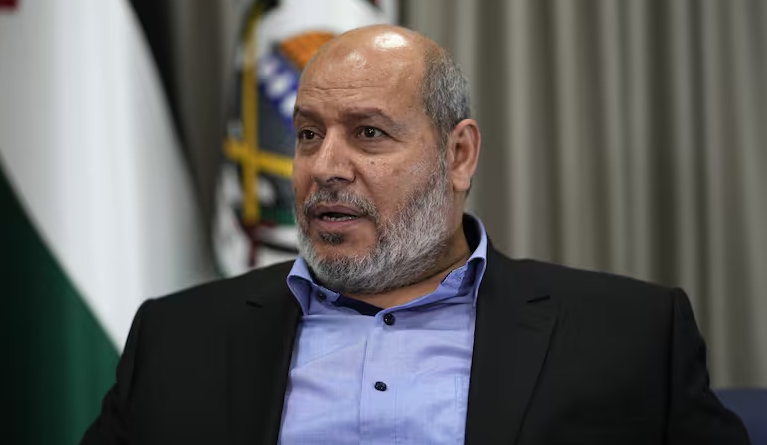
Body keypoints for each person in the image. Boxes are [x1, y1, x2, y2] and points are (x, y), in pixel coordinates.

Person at [81, 25, 749, 445]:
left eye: (368, 133)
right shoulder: (179, 338)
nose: (324, 166)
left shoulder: (628, 334)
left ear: (458, 155)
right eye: (308, 134)